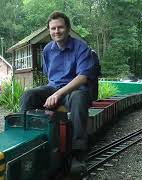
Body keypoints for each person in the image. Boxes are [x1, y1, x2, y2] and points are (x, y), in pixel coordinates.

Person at [20, 11, 96, 174]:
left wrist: (58, 94)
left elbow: (83, 77)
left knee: (79, 98)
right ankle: (26, 142)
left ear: (67, 28)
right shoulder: (47, 50)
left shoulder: (81, 48)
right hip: (53, 88)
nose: (56, 31)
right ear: (49, 31)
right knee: (29, 95)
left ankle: (78, 154)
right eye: (53, 28)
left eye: (60, 27)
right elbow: (50, 77)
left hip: (74, 91)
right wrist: (53, 93)